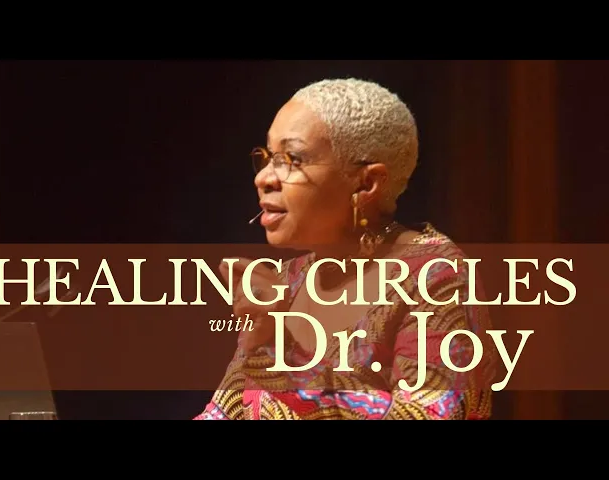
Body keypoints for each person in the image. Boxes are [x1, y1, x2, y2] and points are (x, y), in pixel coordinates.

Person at [195, 78, 494, 420]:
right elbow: (223, 413)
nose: (263, 178)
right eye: (267, 157)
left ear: (366, 183)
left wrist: (279, 348)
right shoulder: (290, 281)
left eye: (292, 159)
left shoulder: (436, 276)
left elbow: (428, 414)